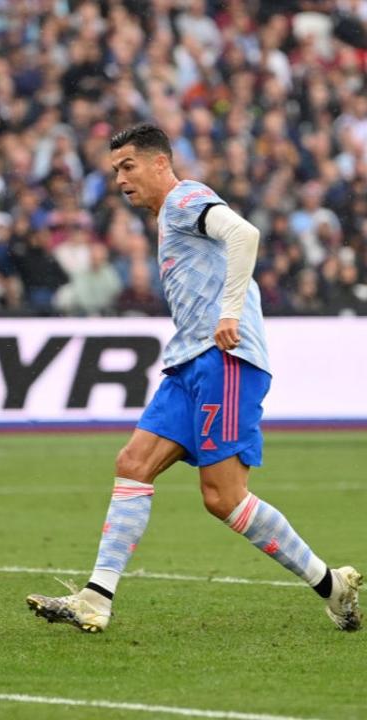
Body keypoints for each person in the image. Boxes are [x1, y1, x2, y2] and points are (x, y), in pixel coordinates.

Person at [26, 123, 361, 633]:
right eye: (115, 170)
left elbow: (245, 234)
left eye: (129, 166)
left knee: (222, 497)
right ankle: (96, 597)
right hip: (188, 361)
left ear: (161, 163)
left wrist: (229, 312)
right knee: (133, 463)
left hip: (225, 358)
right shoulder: (166, 217)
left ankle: (330, 584)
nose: (120, 179)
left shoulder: (186, 198)